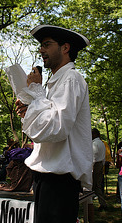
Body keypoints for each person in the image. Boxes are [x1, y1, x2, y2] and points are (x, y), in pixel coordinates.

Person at [15, 25, 93, 223]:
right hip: (47, 178)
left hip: (60, 181)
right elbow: (45, 127)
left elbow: (57, 128)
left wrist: (36, 92)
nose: (41, 50)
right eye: (41, 45)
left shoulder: (71, 79)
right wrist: (29, 109)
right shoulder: (58, 82)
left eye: (47, 44)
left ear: (65, 48)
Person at [92, 128, 107, 211]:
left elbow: (93, 158)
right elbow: (103, 156)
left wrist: (91, 168)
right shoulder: (101, 143)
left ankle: (89, 204)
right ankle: (102, 203)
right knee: (98, 185)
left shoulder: (94, 144)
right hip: (100, 164)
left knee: (93, 186)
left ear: (94, 135)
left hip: (96, 165)